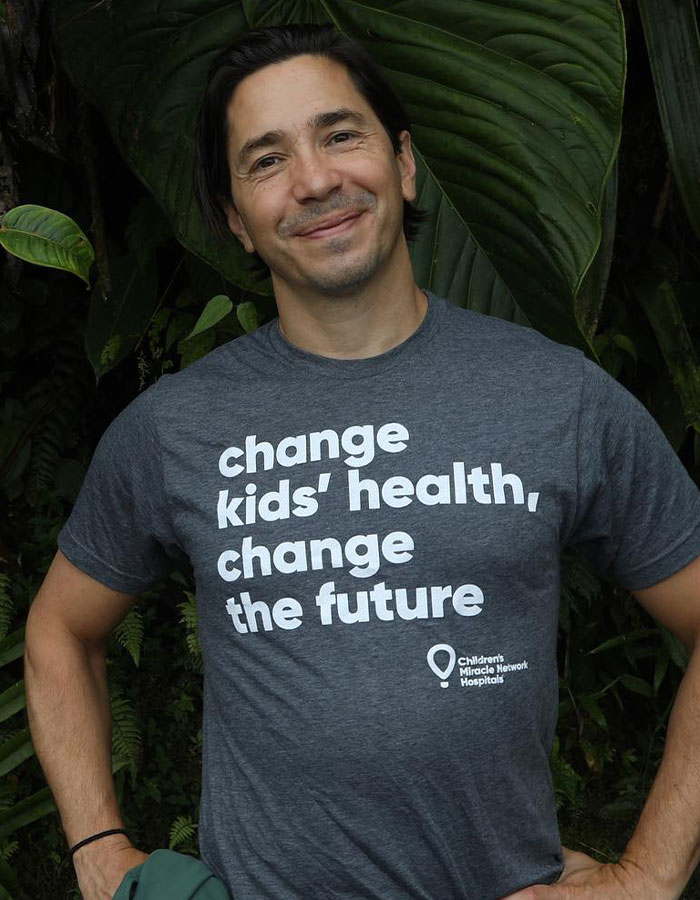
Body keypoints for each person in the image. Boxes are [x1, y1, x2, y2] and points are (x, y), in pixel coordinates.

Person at [24, 22, 700, 900]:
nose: (314, 180)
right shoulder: (175, 428)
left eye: (340, 134)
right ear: (235, 220)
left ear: (405, 162)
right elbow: (59, 631)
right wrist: (98, 850)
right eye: (266, 161)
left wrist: (647, 877)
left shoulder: (555, 396)